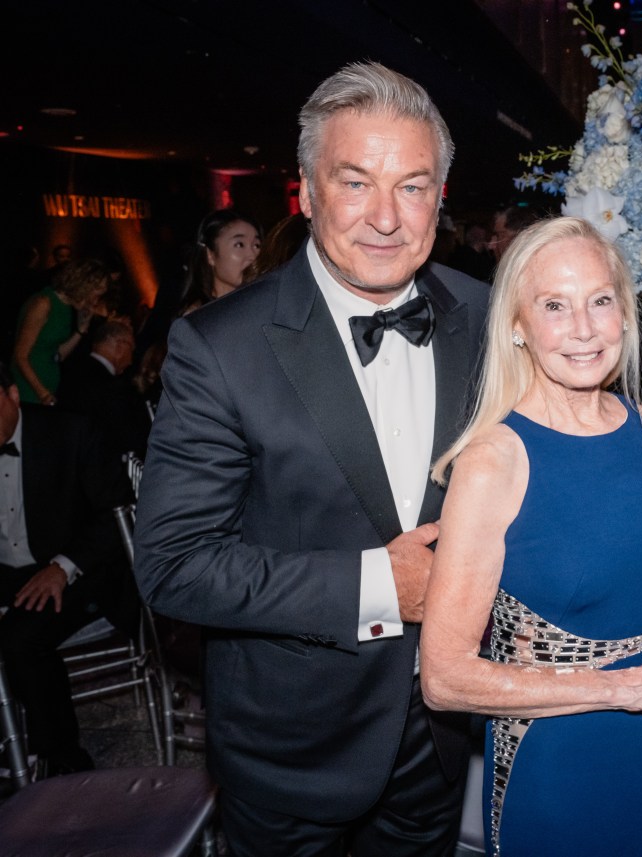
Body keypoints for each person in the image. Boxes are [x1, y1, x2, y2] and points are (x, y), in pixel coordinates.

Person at [133, 61, 488, 856]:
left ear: (441, 196)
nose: (387, 218)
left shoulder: (489, 315)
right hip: (292, 753)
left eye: (414, 185)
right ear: (307, 187)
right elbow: (171, 563)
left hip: (439, 738)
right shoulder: (221, 347)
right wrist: (378, 584)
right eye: (356, 181)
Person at [420, 216, 642, 856]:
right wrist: (619, 686)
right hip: (561, 762)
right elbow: (443, 677)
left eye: (600, 301)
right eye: (554, 306)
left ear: (624, 314)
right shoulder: (495, 460)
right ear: (518, 328)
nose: (583, 328)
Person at [0, 360, 133, 778]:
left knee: (20, 640)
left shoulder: (70, 432)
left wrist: (62, 566)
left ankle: (63, 759)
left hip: (80, 569)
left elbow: (117, 513)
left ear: (12, 395)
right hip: (8, 573)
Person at [11, 258, 108, 404]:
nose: (95, 301)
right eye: (97, 294)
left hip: (47, 385)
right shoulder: (43, 303)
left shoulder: (67, 307)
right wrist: (42, 393)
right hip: (29, 387)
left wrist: (81, 330)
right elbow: (20, 355)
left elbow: (58, 355)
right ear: (83, 286)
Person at [56, 318, 151, 459]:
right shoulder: (113, 387)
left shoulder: (71, 369)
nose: (131, 360)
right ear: (119, 347)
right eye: (131, 349)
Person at [177, 209, 262, 315]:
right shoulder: (198, 318)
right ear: (210, 255)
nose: (252, 256)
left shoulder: (260, 305)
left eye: (256, 245)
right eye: (239, 245)